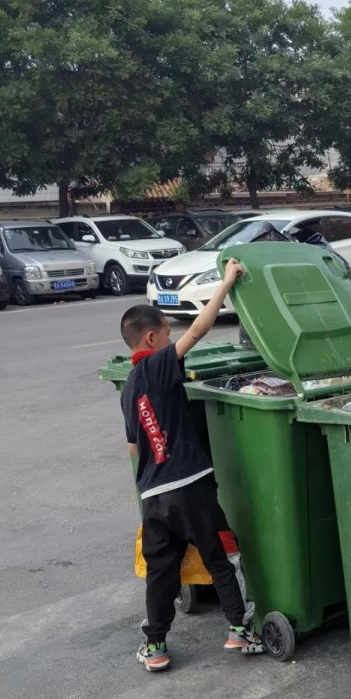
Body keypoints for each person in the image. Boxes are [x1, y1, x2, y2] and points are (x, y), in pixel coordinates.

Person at [119, 258, 262, 671]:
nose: (172, 339)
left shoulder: (128, 388)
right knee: (222, 555)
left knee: (161, 572)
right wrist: (228, 281)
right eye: (167, 333)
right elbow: (198, 330)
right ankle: (240, 630)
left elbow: (133, 448)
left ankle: (155, 646)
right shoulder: (158, 364)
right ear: (151, 337)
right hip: (192, 486)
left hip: (154, 495)